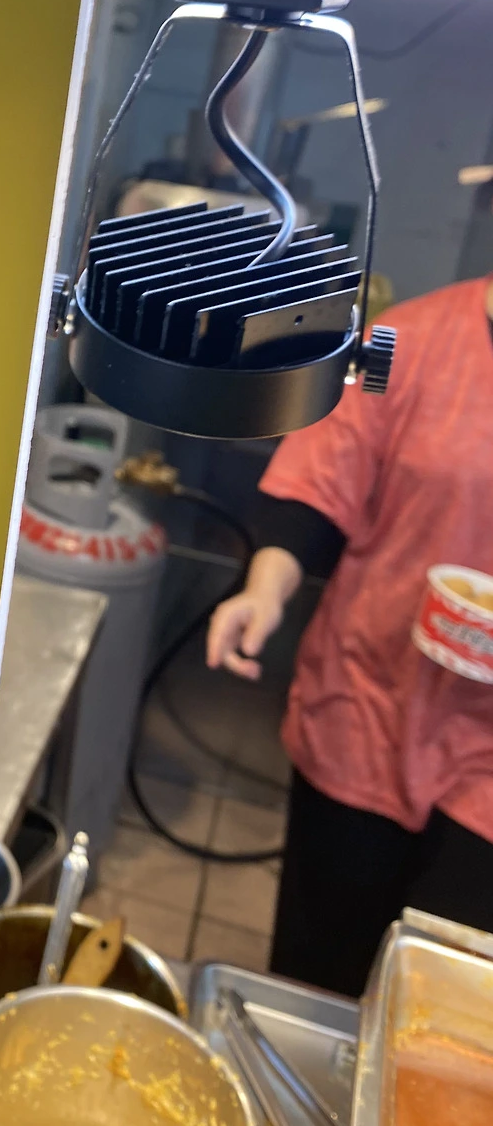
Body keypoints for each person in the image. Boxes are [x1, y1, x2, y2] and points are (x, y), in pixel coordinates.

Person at [206, 273, 493, 998]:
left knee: (446, 1003)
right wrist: (264, 589)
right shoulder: (408, 342)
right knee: (318, 977)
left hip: (486, 765)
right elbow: (319, 484)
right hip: (368, 705)